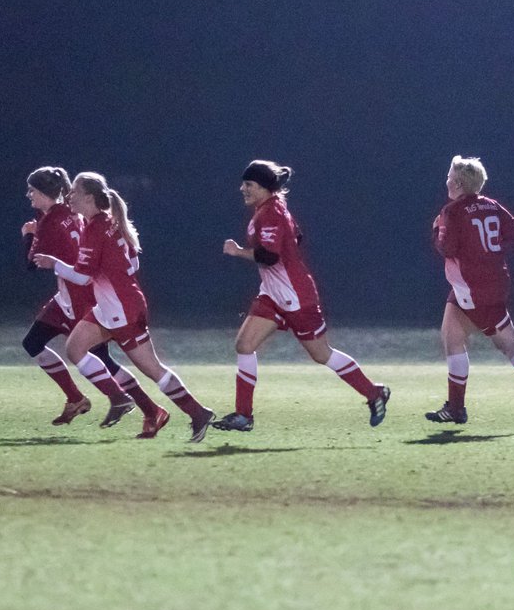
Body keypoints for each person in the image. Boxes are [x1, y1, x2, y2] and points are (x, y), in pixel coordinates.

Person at [33, 172, 214, 442]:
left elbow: (83, 277)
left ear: (89, 197)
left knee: (153, 369)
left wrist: (54, 263)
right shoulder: (109, 222)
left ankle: (197, 412)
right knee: (75, 347)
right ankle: (120, 398)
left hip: (122, 310)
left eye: (75, 192)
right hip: (111, 307)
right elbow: (132, 264)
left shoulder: (95, 229)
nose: (69, 196)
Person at [213, 160, 390, 432]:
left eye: (248, 184)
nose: (243, 189)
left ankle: (373, 393)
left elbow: (270, 256)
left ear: (263, 187)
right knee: (244, 345)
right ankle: (243, 416)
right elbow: (295, 240)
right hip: (273, 294)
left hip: (297, 298)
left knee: (322, 355)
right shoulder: (270, 210)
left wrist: (237, 251)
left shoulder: (271, 213)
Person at [423, 156, 514, 431]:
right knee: (452, 336)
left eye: (449, 175)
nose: (446, 179)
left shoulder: (452, 212)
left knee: (508, 344)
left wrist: (436, 231)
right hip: (487, 282)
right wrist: (489, 251)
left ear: (456, 183)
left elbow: (447, 249)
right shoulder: (490, 205)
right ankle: (455, 407)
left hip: (474, 288)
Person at [20, 167, 158, 427]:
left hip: (79, 296)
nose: (29, 195)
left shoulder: (50, 223)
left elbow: (32, 264)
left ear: (44, 193)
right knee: (33, 342)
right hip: (68, 295)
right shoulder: (68, 212)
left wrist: (28, 236)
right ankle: (76, 398)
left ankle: (145, 407)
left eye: (32, 190)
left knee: (102, 358)